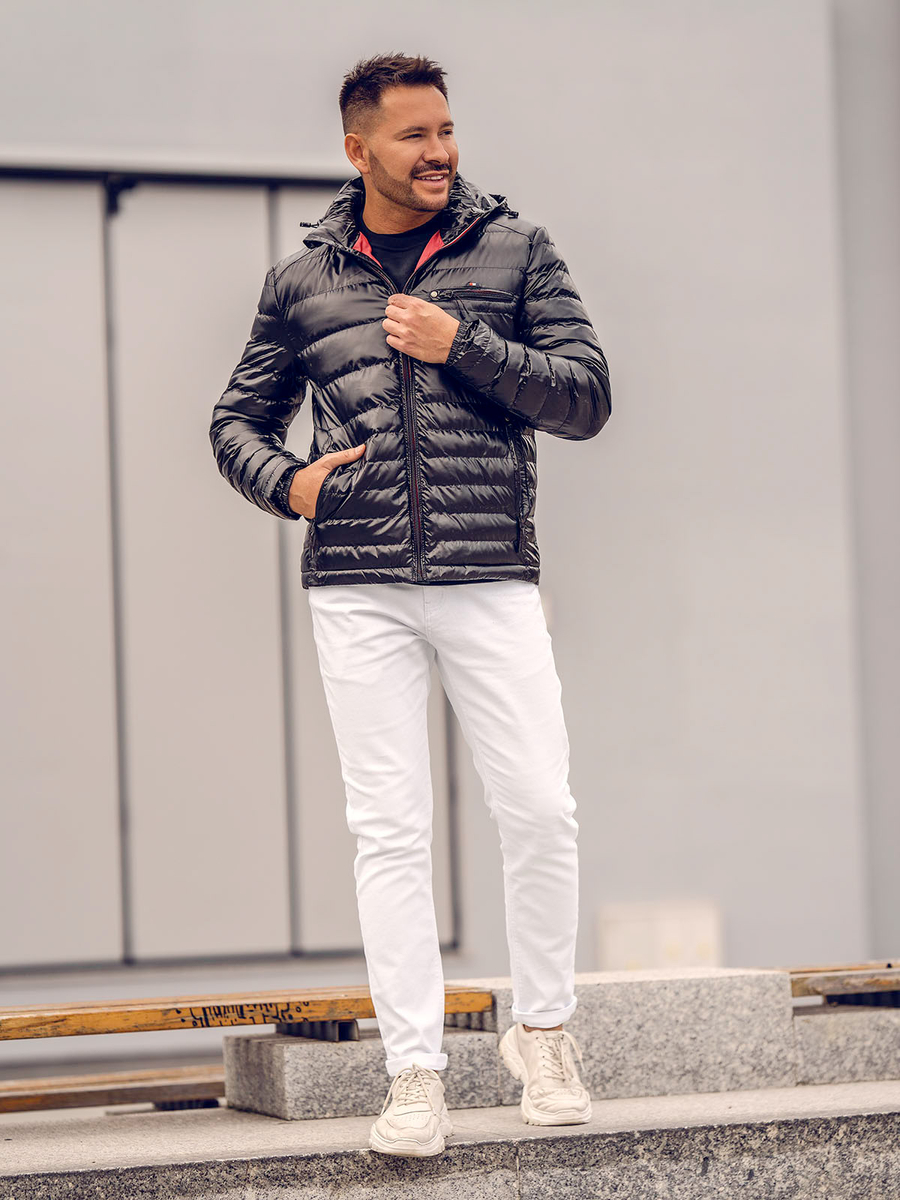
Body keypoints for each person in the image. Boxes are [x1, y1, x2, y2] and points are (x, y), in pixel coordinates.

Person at [209, 51, 612, 1158]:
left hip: (489, 572)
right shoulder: (303, 282)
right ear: (359, 150)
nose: (439, 152)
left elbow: (586, 398)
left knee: (540, 808)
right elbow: (236, 420)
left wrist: (461, 343)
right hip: (359, 584)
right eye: (413, 136)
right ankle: (415, 1072)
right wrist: (286, 484)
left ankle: (543, 1032)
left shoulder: (515, 250)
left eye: (446, 130)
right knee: (388, 831)